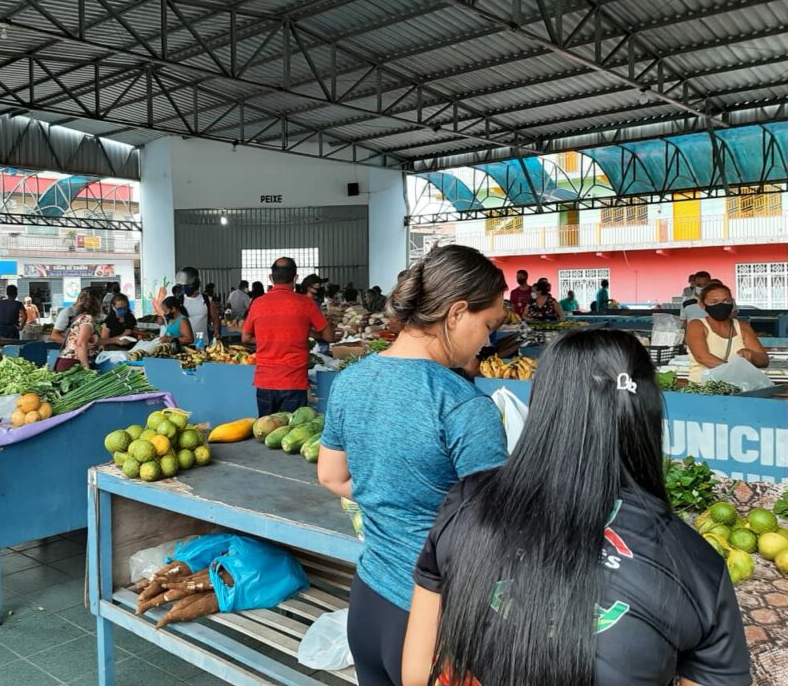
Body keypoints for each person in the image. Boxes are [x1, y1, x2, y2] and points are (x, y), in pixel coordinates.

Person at [401, 329, 751, 686]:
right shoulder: (695, 563)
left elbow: (417, 673)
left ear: (544, 401)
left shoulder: (468, 502)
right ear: (646, 410)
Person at [318, 245, 509, 686]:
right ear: (457, 312)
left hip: (368, 604)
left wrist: (390, 495)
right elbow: (494, 528)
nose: (487, 341)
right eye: (489, 325)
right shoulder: (462, 405)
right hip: (435, 617)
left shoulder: (350, 381)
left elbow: (331, 476)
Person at [242, 257, 335, 416]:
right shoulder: (305, 303)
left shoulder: (258, 303)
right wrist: (304, 332)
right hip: (294, 383)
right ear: (295, 278)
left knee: (266, 434)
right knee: (290, 434)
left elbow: (246, 338)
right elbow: (329, 337)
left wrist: (269, 338)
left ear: (271, 278)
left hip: (265, 382)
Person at [685, 282, 769, 383]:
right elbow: (703, 357)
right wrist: (736, 373)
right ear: (702, 305)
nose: (721, 305)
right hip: (703, 386)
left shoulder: (742, 326)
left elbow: (764, 360)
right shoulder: (696, 325)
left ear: (732, 303)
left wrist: (751, 355)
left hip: (738, 387)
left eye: (726, 301)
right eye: (714, 302)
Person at [56, 289, 102, 371]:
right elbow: (81, 345)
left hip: (67, 362)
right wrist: (87, 368)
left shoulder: (81, 317)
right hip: (72, 363)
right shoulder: (87, 319)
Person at [176, 267, 221, 345]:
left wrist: (216, 332)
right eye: (183, 286)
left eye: (188, 286)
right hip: (183, 343)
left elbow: (215, 319)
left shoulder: (207, 300)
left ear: (195, 284)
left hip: (201, 343)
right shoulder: (178, 301)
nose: (185, 288)